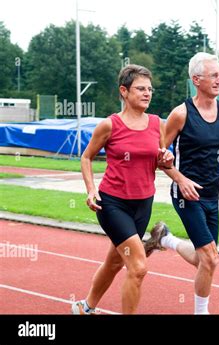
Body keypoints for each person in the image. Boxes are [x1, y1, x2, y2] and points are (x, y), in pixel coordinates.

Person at [145, 52, 219, 314]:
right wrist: (180, 178)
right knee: (211, 259)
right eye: (213, 75)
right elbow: (159, 156)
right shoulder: (181, 114)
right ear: (196, 79)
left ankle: (165, 239)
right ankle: (201, 312)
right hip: (185, 195)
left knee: (205, 259)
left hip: (213, 194)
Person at [71, 64, 173, 315]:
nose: (147, 93)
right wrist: (90, 189)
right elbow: (86, 157)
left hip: (143, 204)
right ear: (124, 91)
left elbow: (159, 159)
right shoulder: (110, 125)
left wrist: (167, 160)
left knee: (115, 261)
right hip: (113, 204)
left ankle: (86, 307)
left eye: (150, 89)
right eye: (140, 89)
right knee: (138, 267)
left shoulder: (156, 124)